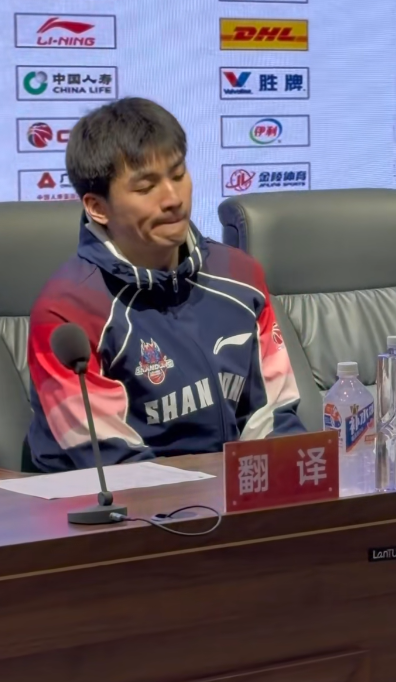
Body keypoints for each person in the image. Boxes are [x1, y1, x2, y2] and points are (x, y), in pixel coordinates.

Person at [27, 98, 304, 472]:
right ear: (97, 207)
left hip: (232, 492)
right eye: (146, 188)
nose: (173, 199)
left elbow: (274, 416)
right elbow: (111, 458)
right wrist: (211, 495)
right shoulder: (66, 311)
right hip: (111, 500)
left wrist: (282, 482)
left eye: (178, 175)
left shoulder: (240, 275)